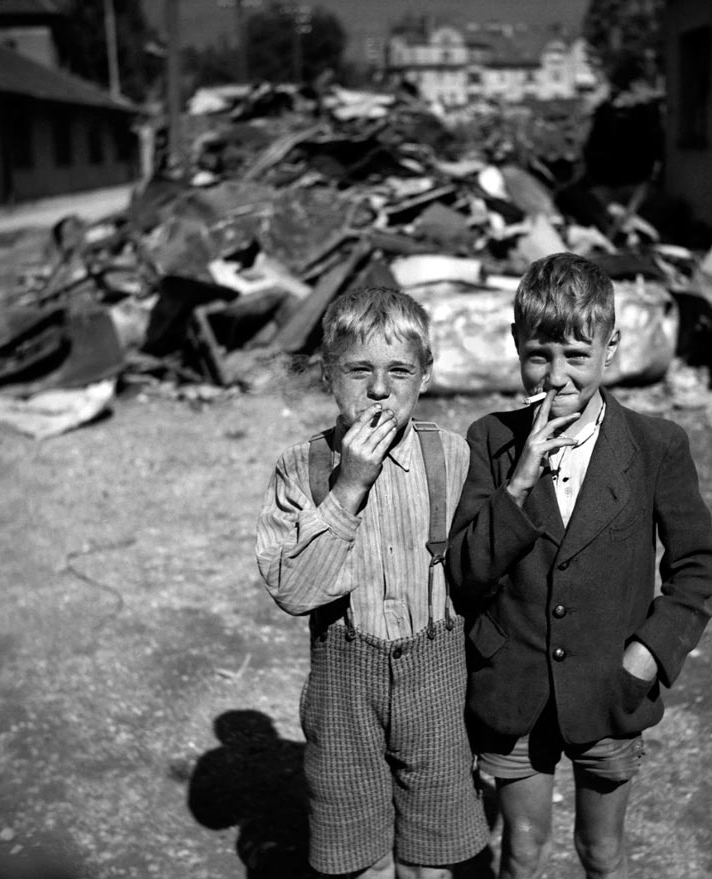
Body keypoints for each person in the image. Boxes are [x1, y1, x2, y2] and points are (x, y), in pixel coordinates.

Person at [446, 253, 712, 879]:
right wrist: (516, 486)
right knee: (522, 850)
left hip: (609, 685)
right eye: (539, 355)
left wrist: (648, 654)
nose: (557, 376)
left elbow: (697, 567)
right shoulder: (489, 440)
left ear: (611, 349)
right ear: (516, 344)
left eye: (576, 355)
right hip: (513, 681)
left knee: (602, 851)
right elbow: (465, 574)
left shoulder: (656, 446)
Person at [256, 287, 489, 879]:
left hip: (437, 678)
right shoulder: (300, 468)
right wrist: (349, 487)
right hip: (343, 686)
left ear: (426, 376)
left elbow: (488, 569)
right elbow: (293, 590)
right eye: (359, 371)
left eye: (398, 371)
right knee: (360, 859)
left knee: (430, 860)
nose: (379, 390)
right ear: (328, 376)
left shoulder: (452, 457)